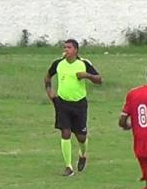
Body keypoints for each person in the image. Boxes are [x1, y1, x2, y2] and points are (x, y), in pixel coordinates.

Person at [44, 39, 103, 176]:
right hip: (63, 103)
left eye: (69, 47)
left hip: (79, 104)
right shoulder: (58, 63)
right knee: (65, 133)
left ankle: (82, 155)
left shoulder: (83, 64)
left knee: (81, 137)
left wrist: (87, 76)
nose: (66, 50)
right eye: (65, 47)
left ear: (76, 50)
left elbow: (99, 80)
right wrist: (51, 93)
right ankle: (68, 167)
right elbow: (47, 77)